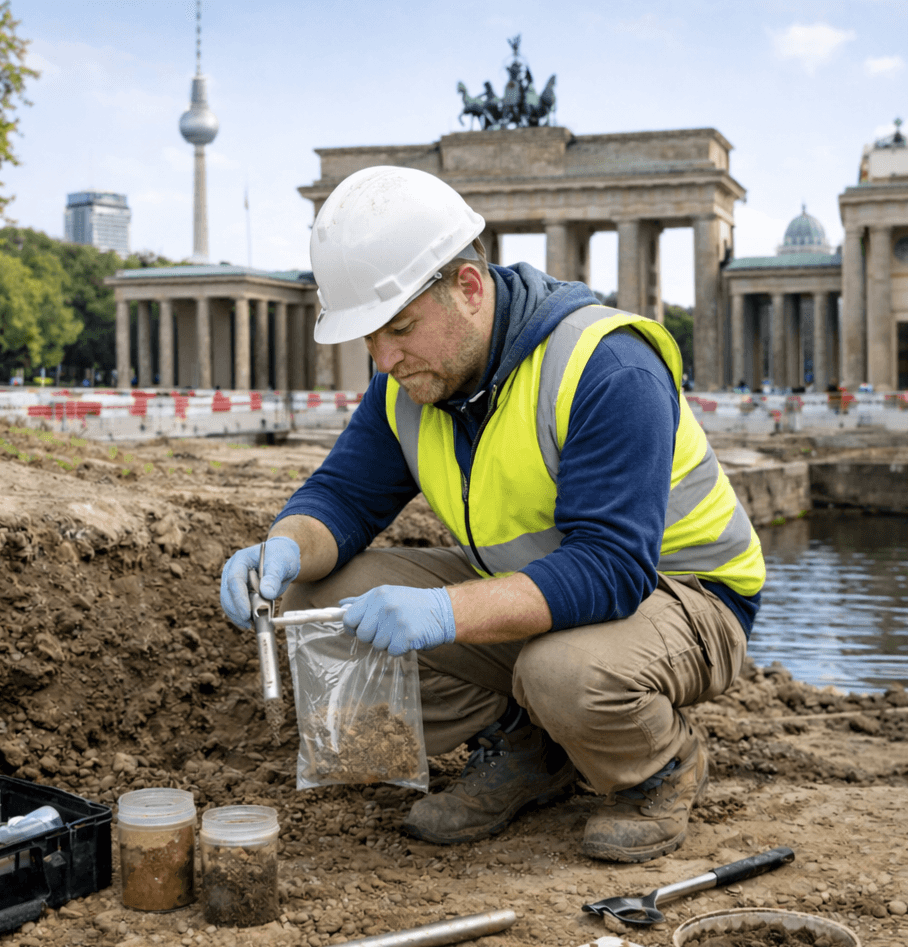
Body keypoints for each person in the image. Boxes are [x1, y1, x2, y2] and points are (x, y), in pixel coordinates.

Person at [220, 166, 765, 863]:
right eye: (367, 341)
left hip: (683, 595)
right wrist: (284, 548)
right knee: (319, 601)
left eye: (401, 329)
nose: (383, 361)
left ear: (469, 289)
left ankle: (660, 769)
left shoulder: (607, 367)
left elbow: (611, 569)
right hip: (543, 585)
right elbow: (343, 498)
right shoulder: (414, 380)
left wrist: (446, 612)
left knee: (563, 673)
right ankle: (527, 749)